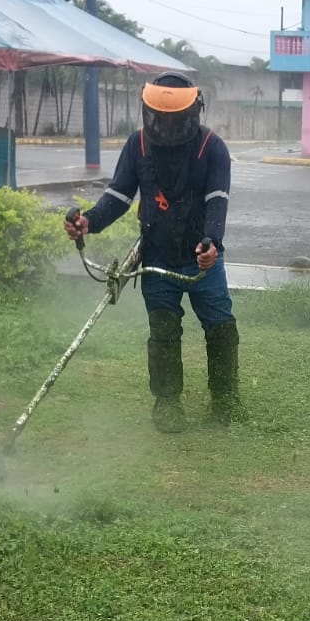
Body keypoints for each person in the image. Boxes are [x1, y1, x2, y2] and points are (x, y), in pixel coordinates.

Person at [64, 72, 240, 431]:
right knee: (163, 330)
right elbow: (119, 196)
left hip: (203, 259)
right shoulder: (138, 146)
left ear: (194, 112)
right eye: (160, 117)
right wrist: (89, 222)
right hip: (157, 256)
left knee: (221, 326)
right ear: (148, 112)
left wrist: (212, 244)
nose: (167, 126)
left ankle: (225, 400)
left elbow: (217, 201)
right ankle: (167, 403)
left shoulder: (213, 148)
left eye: (176, 119)